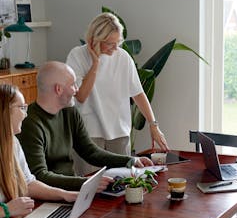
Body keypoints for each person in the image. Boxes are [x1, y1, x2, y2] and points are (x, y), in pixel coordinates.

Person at [17, 61, 153, 192]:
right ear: (58, 89)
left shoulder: (70, 111)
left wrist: (131, 160)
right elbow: (39, 177)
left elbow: (90, 151)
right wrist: (87, 183)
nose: (77, 90)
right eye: (73, 84)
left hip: (73, 189)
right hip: (50, 196)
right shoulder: (29, 123)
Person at [66, 12, 169, 175]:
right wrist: (95, 64)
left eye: (118, 42)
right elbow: (81, 96)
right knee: (90, 186)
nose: (115, 48)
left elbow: (138, 93)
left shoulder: (123, 57)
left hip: (119, 133)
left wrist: (153, 125)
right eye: (110, 43)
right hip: (89, 135)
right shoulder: (77, 56)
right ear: (95, 39)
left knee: (122, 184)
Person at [0, 84, 79, 218]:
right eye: (22, 108)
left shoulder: (12, 143)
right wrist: (5, 210)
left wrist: (63, 194)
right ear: (5, 110)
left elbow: (28, 183)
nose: (26, 114)